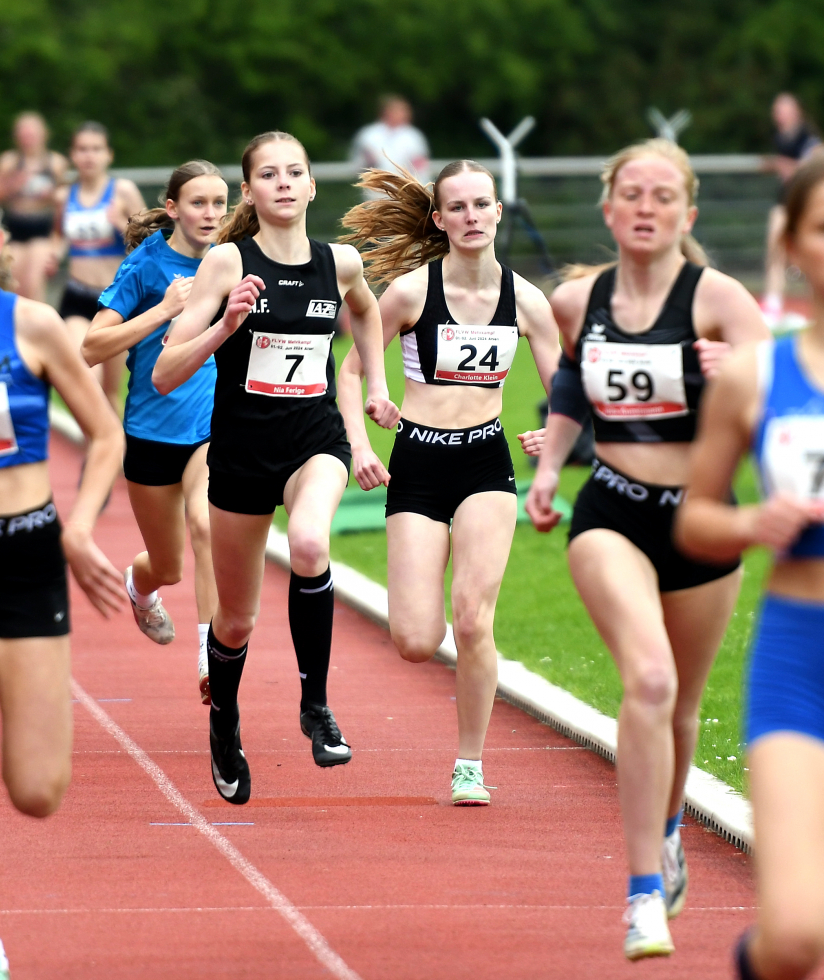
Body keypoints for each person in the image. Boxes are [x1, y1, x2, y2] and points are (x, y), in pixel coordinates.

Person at [524, 138, 768, 960]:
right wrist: (552, 471)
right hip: (613, 514)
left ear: (687, 215)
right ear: (607, 208)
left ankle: (666, 831)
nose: (646, 206)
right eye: (632, 192)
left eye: (664, 196)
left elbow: (786, 411)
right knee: (651, 678)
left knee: (683, 706)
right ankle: (639, 897)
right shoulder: (576, 301)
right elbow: (566, 384)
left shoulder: (722, 301)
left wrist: (740, 375)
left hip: (701, 520)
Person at [152, 131, 396, 804]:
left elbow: (368, 312)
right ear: (252, 191)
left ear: (313, 186)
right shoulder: (228, 263)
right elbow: (168, 371)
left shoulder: (340, 263)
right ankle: (225, 725)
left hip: (313, 438)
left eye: (296, 172)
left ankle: (315, 707)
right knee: (234, 623)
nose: (284, 182)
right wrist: (224, 327)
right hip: (241, 454)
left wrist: (376, 383)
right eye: (269, 173)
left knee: (313, 542)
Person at [0, 169, 125, 980]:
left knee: (37, 789)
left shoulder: (36, 327)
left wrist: (78, 528)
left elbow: (105, 436)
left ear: (0, 241)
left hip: (29, 553)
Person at [337, 162, 558, 804]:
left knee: (473, 619)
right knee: (414, 639)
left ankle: (470, 763)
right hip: (418, 462)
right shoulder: (409, 294)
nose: (469, 216)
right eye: (455, 207)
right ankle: (459, 724)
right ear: (439, 219)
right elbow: (350, 373)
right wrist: (357, 444)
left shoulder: (528, 301)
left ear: (496, 213)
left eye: (480, 205)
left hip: (486, 464)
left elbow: (569, 391)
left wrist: (563, 435)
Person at [676, 155, 824, 980]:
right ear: (794, 245)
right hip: (801, 661)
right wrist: (750, 520)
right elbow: (696, 518)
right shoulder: (759, 377)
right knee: (799, 936)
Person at [82, 161, 227, 704]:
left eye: (219, 202)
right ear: (172, 208)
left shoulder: (229, 260)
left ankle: (210, 657)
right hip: (150, 433)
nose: (210, 214)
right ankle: (140, 589)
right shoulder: (143, 267)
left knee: (205, 524)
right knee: (165, 565)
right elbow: (93, 348)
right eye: (198, 203)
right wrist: (164, 310)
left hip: (213, 427)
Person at [55, 121, 145, 409]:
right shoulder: (63, 197)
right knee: (85, 379)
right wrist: (52, 254)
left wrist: (121, 224)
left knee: (109, 394)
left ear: (109, 155)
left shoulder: (123, 191)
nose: (89, 156)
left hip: (115, 300)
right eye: (82, 149)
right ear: (73, 155)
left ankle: (110, 451)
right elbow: (58, 238)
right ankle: (94, 448)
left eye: (96, 149)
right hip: (76, 295)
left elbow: (151, 242)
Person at [0, 112, 68, 302]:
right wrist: (13, 186)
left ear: (43, 135)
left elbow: (64, 202)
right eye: (24, 135)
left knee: (34, 283)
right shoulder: (8, 162)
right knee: (14, 286)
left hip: (41, 229)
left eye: (32, 134)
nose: (28, 140)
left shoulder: (56, 163)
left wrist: (51, 196)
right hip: (15, 227)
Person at [761, 93, 820, 329]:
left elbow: (813, 165)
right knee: (775, 250)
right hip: (784, 203)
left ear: (795, 111)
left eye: (782, 109)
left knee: (809, 256)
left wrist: (788, 167)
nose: (778, 115)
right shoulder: (780, 138)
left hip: (802, 205)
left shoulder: (807, 137)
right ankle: (773, 304)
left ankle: (813, 307)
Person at [350, 96, 431, 187]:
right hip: (376, 187)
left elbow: (420, 164)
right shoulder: (369, 134)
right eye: (398, 110)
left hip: (407, 188)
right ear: (386, 112)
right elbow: (359, 162)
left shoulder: (413, 136)